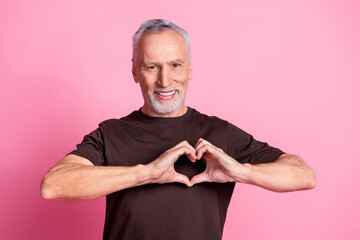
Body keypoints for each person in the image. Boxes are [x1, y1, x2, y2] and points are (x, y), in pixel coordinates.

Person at [40, 19, 316, 240]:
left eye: (175, 65)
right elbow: (53, 185)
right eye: (151, 67)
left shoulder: (220, 133)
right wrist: (146, 173)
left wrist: (241, 171)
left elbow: (303, 175)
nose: (165, 79)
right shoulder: (110, 133)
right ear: (135, 71)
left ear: (190, 69)